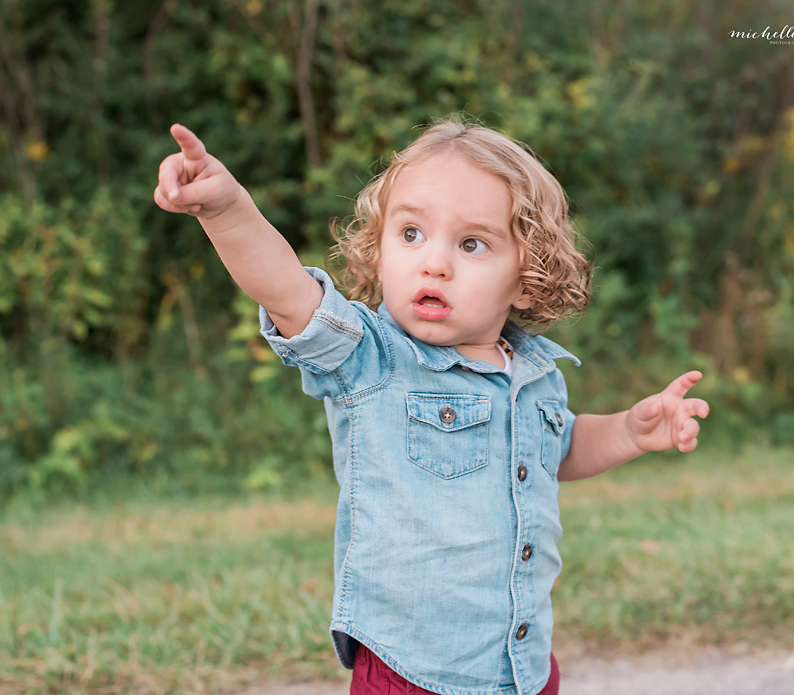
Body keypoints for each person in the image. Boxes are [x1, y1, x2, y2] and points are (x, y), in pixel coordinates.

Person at [154, 118, 710, 695]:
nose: (435, 263)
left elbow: (557, 448)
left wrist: (630, 431)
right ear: (379, 244)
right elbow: (286, 289)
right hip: (414, 671)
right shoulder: (370, 359)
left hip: (521, 667)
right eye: (412, 234)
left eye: (471, 244)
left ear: (525, 277)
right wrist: (225, 209)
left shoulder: (533, 371)